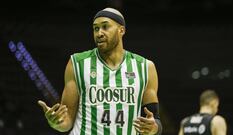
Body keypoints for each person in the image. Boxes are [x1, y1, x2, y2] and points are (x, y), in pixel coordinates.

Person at [38, 7, 162, 135]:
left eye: (105, 27)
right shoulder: (77, 63)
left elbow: (155, 121)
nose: (99, 33)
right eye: (96, 28)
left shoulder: (145, 67)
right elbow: (67, 120)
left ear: (121, 30)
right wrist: (56, 122)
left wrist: (153, 128)